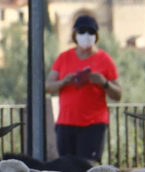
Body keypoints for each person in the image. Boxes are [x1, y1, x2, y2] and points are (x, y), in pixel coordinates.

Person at [45, 14, 121, 161]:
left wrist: (104, 82)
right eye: (82, 31)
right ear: (75, 34)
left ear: (96, 35)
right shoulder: (64, 58)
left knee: (87, 169)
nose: (86, 35)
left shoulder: (105, 59)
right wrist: (63, 82)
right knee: (66, 169)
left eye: (91, 32)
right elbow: (48, 86)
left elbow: (118, 94)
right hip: (65, 124)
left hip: (93, 125)